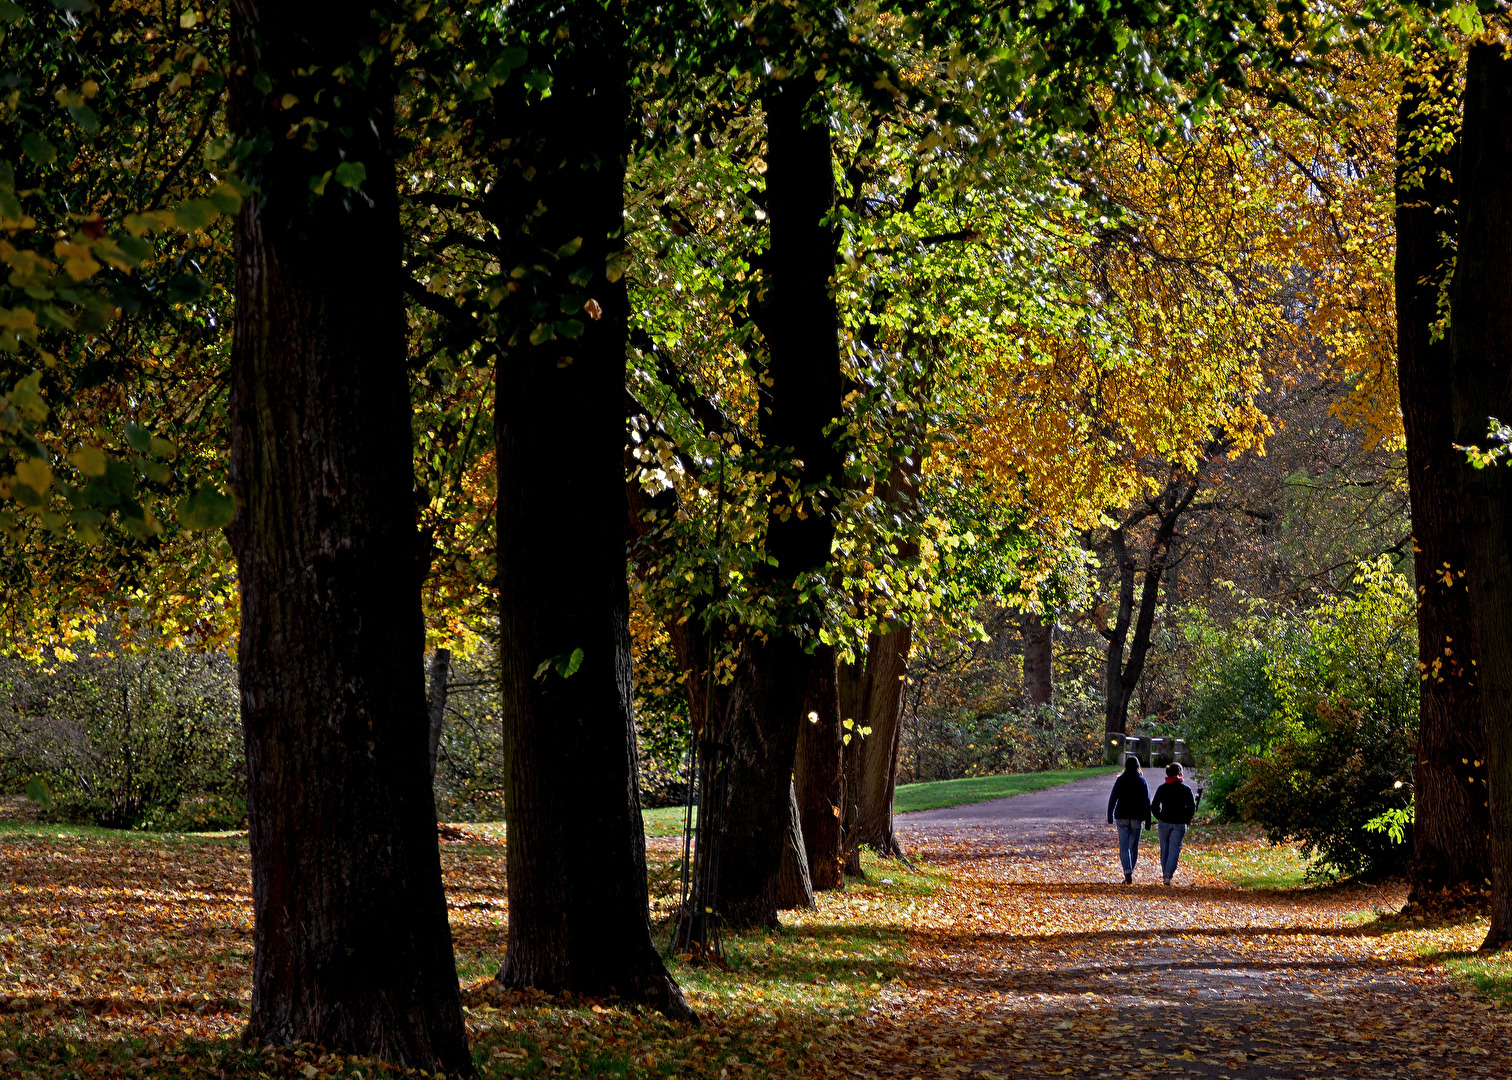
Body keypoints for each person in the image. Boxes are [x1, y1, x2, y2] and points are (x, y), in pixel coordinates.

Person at [1106, 756, 1151, 884]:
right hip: (1137, 817)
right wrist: (1148, 820)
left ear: (1125, 767)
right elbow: (1147, 802)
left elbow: (1113, 798)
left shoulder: (1121, 780)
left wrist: (1110, 814)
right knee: (1133, 847)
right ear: (1138, 767)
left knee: (1124, 847)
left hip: (1122, 816)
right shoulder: (1142, 781)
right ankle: (1130, 869)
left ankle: (1127, 871)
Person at [1151, 762, 1197, 885]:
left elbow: (1154, 806)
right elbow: (1192, 807)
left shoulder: (1162, 788)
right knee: (1174, 850)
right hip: (1179, 823)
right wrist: (1186, 819)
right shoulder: (1185, 789)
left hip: (1164, 822)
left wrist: (1160, 816)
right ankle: (1168, 875)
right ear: (1180, 773)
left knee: (1164, 849)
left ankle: (1165, 872)